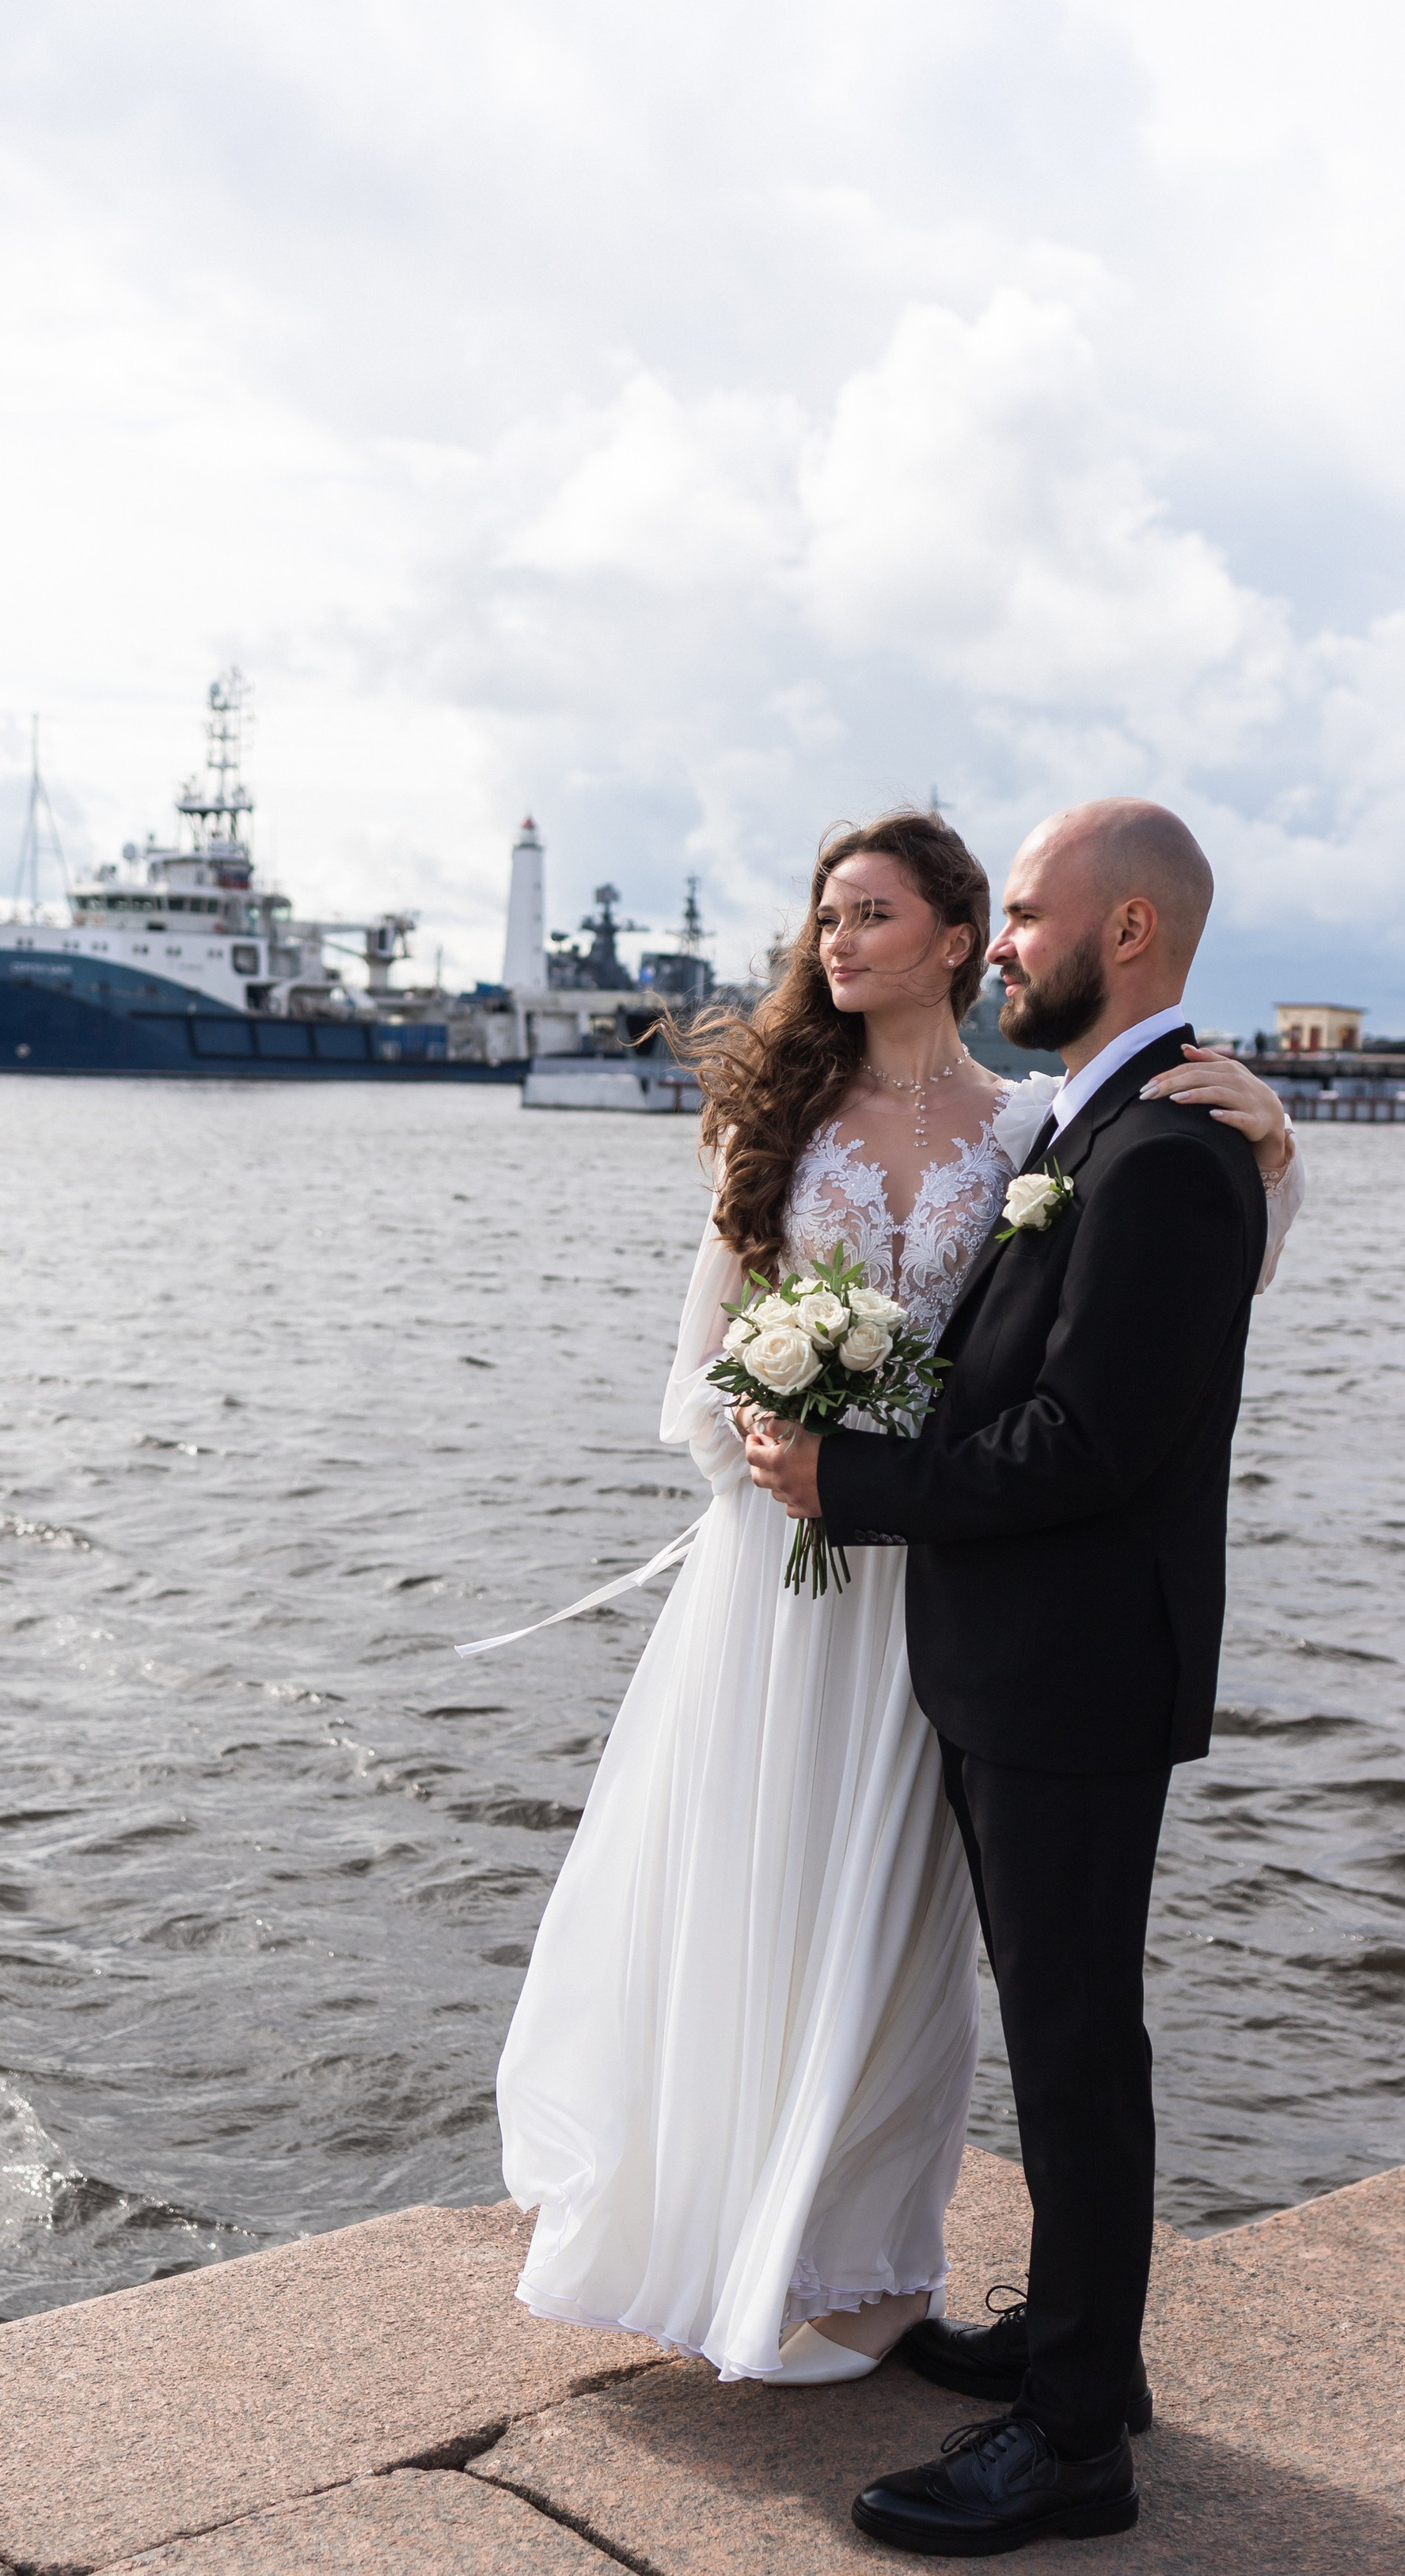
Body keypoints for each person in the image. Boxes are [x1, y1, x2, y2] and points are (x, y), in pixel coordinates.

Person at [497, 805, 1300, 2418]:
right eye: (821, 918)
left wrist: (1276, 1144)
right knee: (751, 1900)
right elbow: (702, 1377)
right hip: (790, 1588)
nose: (835, 942)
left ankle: (860, 2258)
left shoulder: (1039, 1133)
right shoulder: (770, 1129)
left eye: (875, 913)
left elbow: (1152, 1312)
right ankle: (724, 2241)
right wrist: (784, 1444)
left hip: (949, 1591)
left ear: (950, 937)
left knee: (905, 1951)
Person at [745, 796, 1276, 2555]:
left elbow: (1075, 1447)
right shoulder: (1107, 1123)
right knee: (1061, 2037)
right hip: (1018, 1666)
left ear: (1124, 932)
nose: (1007, 942)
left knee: (1068, 2046)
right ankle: (1077, 2357)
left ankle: (1070, 2446)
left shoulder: (1167, 1152)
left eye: (1030, 914)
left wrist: (850, 1485)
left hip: (1067, 1676)